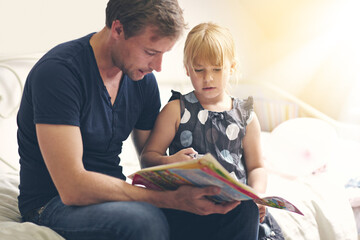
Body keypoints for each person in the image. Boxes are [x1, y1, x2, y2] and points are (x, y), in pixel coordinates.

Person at [16, 1, 244, 240]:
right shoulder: (59, 73)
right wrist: (166, 200)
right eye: (151, 52)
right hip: (53, 203)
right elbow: (72, 188)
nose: (157, 67)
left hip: (118, 198)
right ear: (118, 30)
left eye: (163, 54)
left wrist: (182, 172)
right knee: (143, 220)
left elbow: (149, 163)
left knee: (238, 211)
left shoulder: (142, 80)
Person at [141, 22, 284, 240]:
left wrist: (257, 195)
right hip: (187, 204)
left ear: (232, 68)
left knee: (247, 210)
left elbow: (256, 167)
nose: (208, 78)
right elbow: (148, 158)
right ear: (187, 69)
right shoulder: (176, 110)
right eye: (199, 70)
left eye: (217, 69)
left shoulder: (246, 117)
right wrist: (172, 162)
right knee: (161, 213)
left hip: (231, 207)